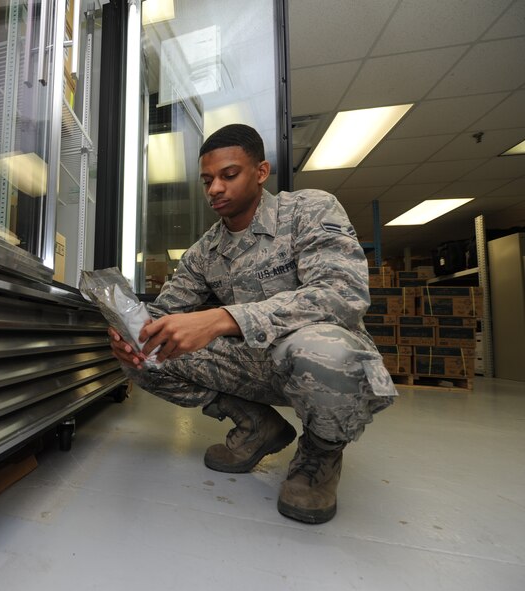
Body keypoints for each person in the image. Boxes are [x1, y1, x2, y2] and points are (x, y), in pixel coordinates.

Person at [110, 123, 397, 524]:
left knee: (322, 349)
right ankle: (257, 425)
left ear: (261, 172)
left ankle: (320, 454)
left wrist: (223, 317)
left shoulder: (309, 210)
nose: (214, 189)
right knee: (145, 354)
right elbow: (163, 314)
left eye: (229, 175)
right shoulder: (204, 252)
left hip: (319, 365)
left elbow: (340, 294)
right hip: (254, 365)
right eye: (207, 180)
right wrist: (133, 333)